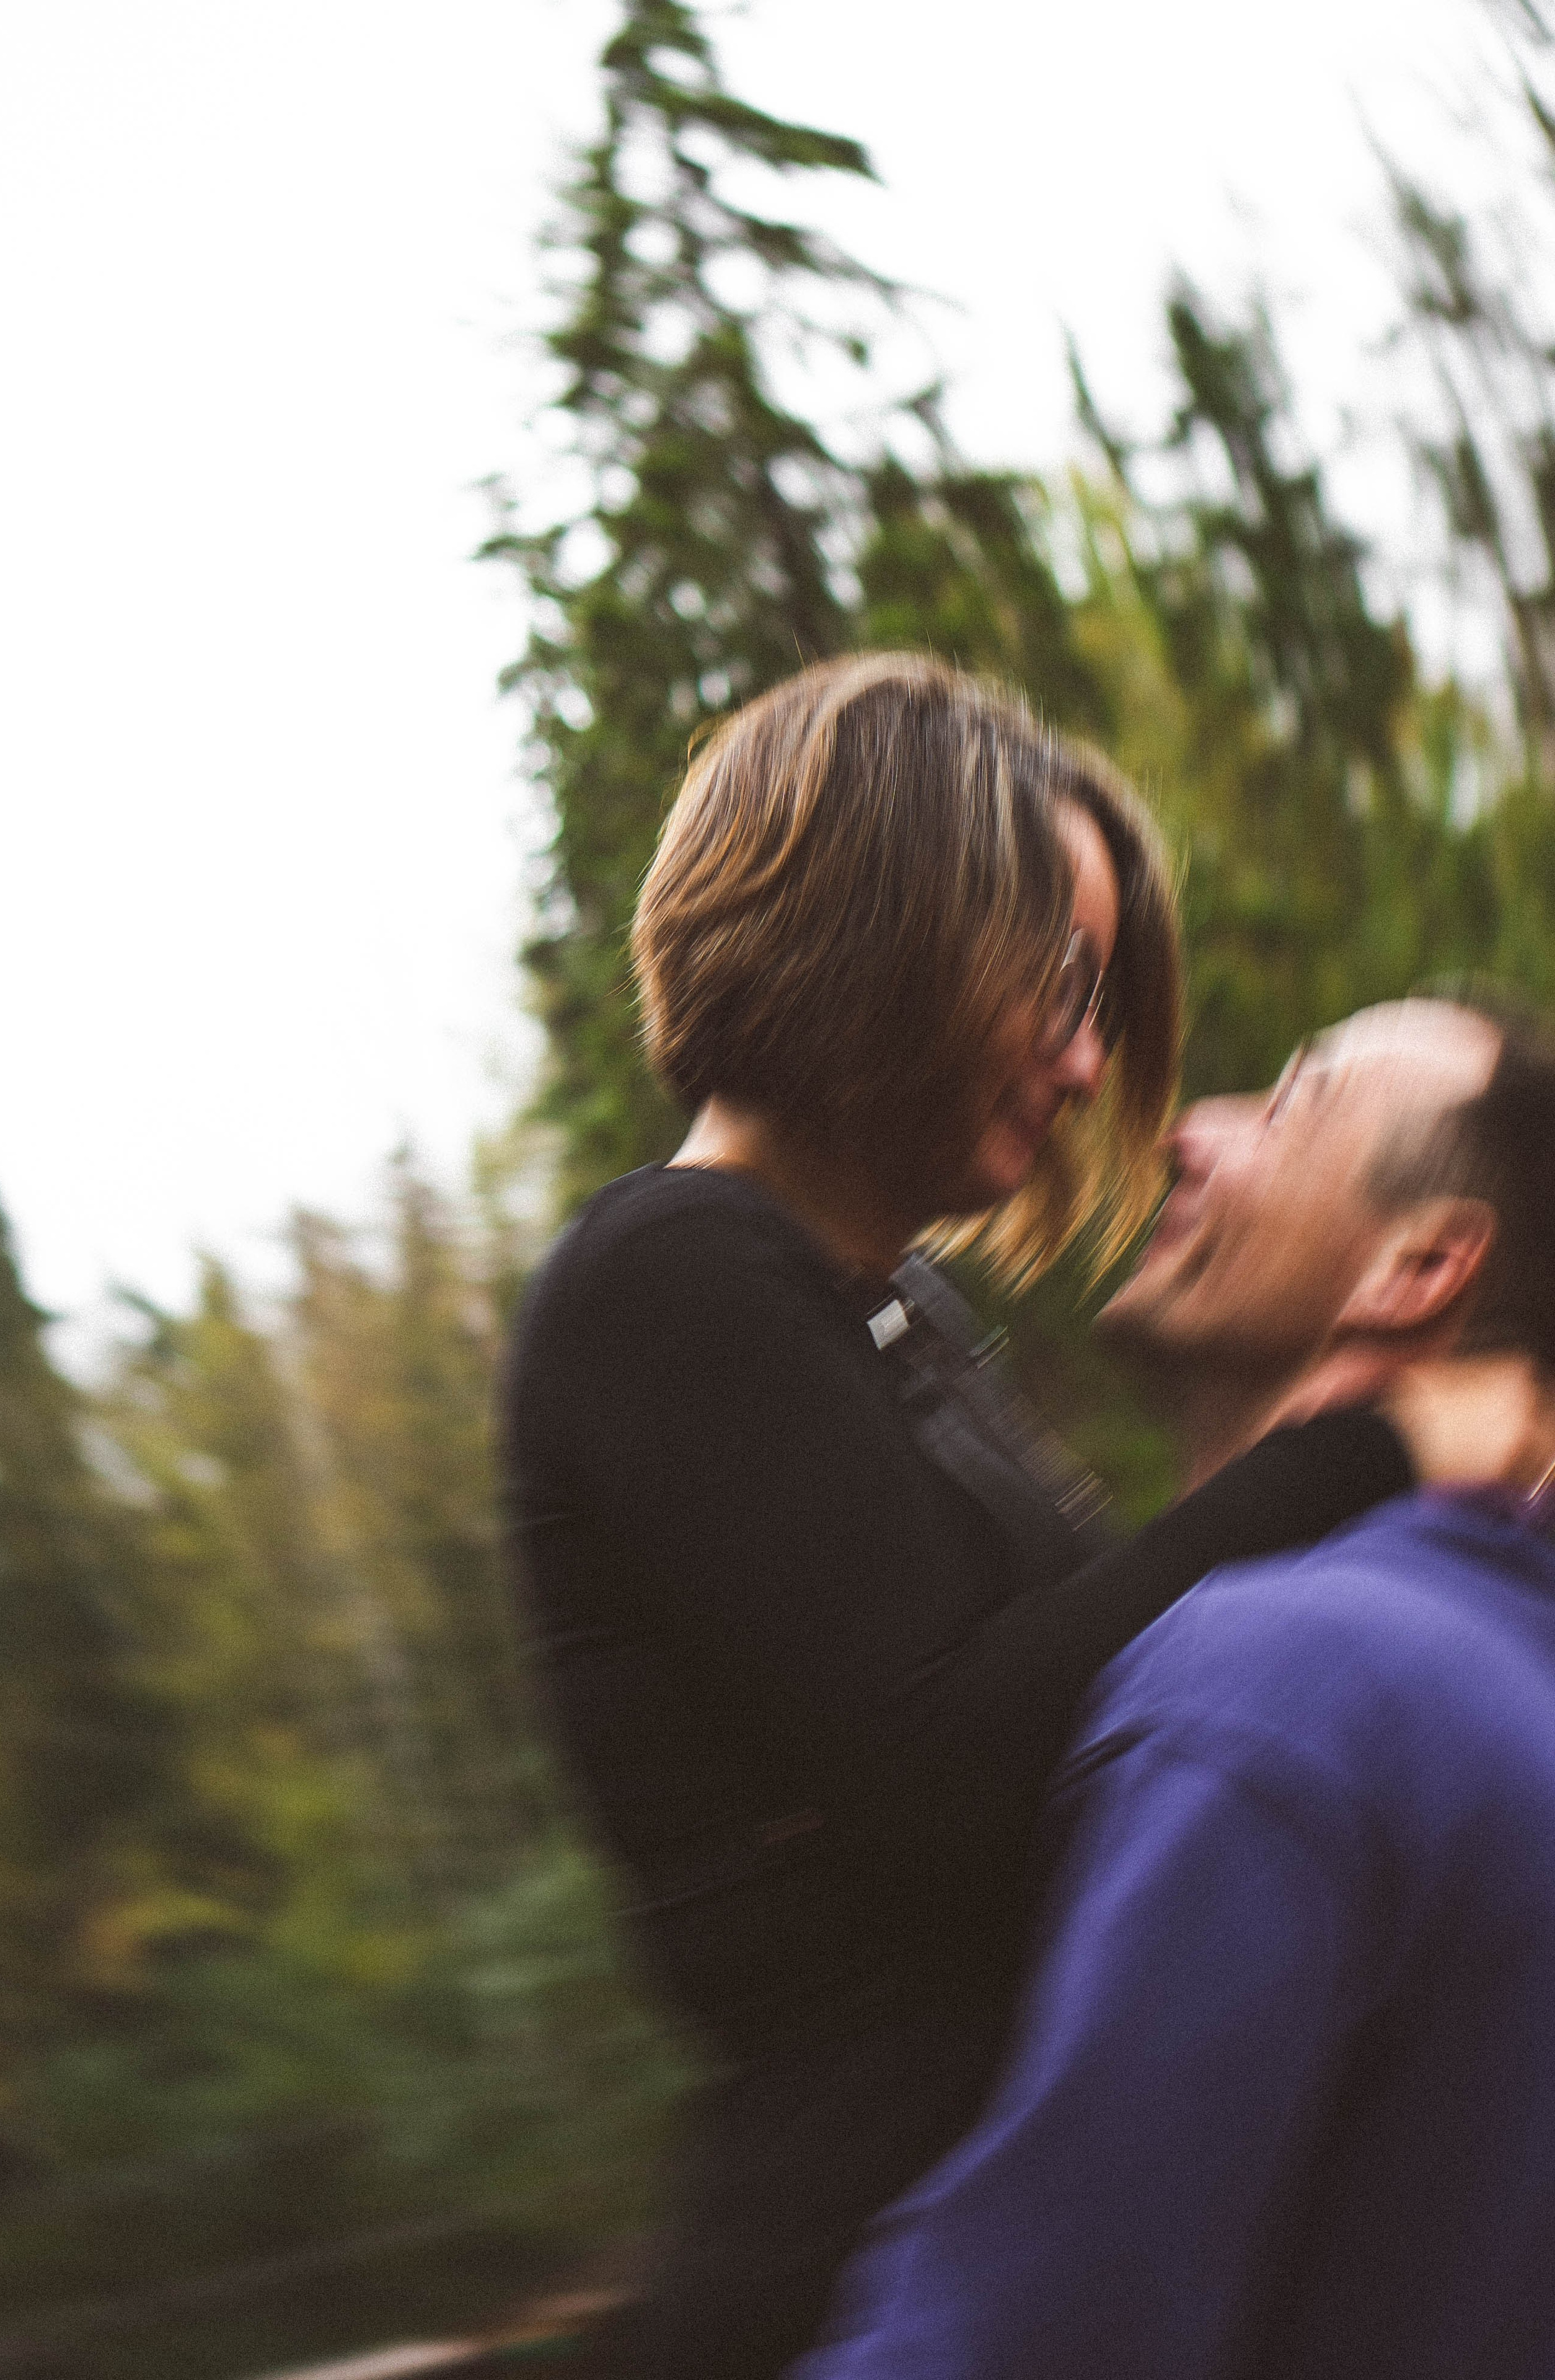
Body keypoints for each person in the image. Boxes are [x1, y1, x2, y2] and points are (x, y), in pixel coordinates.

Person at [504, 653, 1409, 2379]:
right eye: (1061, 987)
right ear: (889, 924)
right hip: (854, 2281)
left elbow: (1087, 1688)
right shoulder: (669, 1278)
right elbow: (953, 1767)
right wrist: (1360, 1446)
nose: (1087, 1065)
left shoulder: (886, 1303)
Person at [797, 996, 1555, 2380]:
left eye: (1283, 1107)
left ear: (1420, 1262)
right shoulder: (1501, 1676)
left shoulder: (1282, 1696)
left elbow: (1016, 2341)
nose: (1183, 1134)